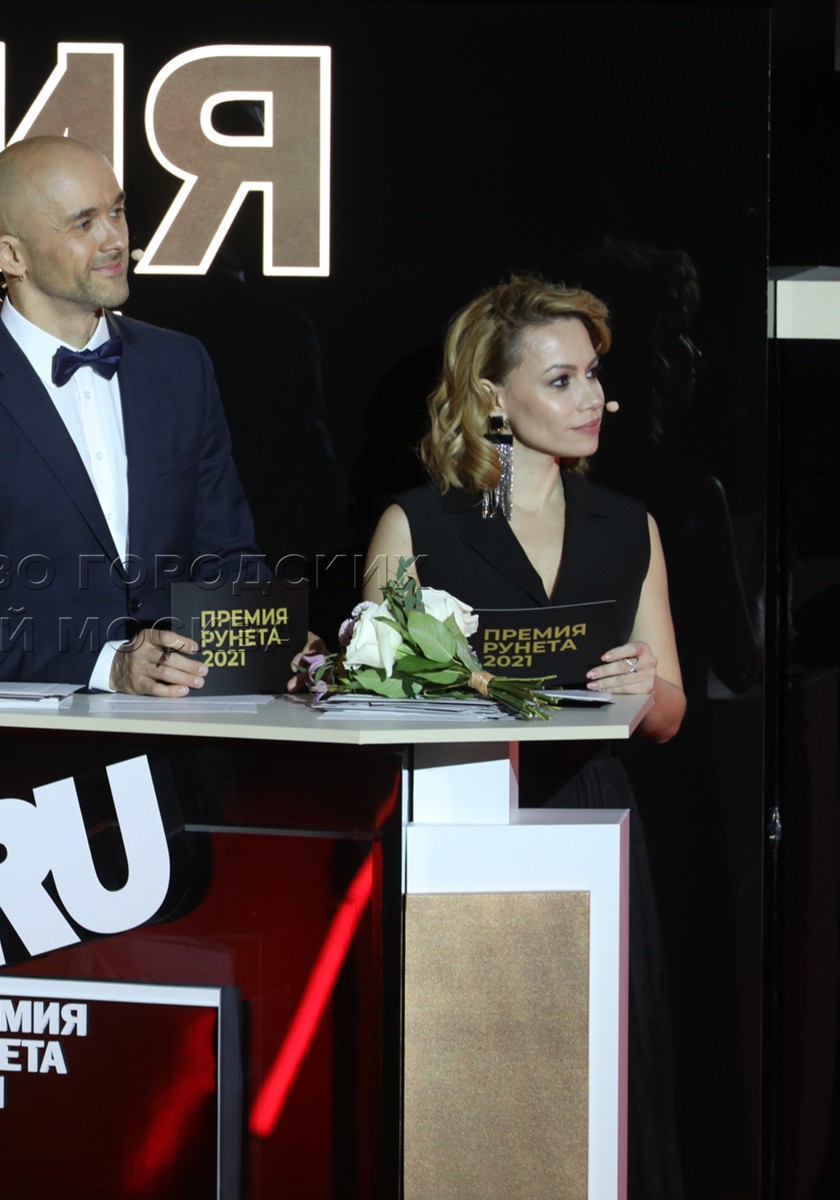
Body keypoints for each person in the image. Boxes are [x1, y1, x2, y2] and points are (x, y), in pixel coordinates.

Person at [361, 276, 686, 1198]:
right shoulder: (418, 523)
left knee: (599, 1077)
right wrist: (452, 679)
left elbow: (671, 713)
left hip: (590, 812)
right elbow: (370, 690)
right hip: (459, 820)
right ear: (493, 397)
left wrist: (645, 687)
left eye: (594, 377)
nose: (591, 400)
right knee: (469, 1082)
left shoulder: (629, 525)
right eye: (561, 380)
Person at [0, 136, 263, 694]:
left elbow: (228, 558)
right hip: (35, 739)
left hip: (187, 725)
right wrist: (109, 667)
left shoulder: (181, 366)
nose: (116, 239)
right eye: (83, 224)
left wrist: (268, 645)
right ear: (12, 256)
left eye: (117, 211)